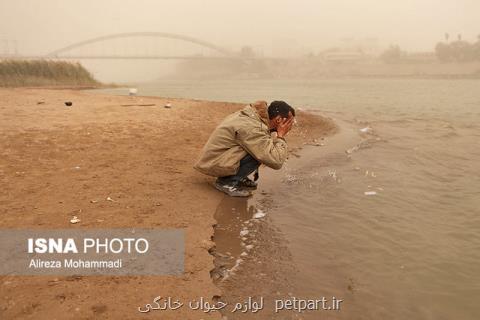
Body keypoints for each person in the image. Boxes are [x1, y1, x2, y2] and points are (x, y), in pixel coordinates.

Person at [194, 100, 295, 197]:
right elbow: (276, 161)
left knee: (262, 146)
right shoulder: (253, 128)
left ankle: (236, 177)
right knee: (263, 153)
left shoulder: (254, 116)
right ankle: (226, 182)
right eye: (289, 122)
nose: (291, 125)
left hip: (215, 158)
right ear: (279, 119)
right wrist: (281, 135)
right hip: (213, 163)